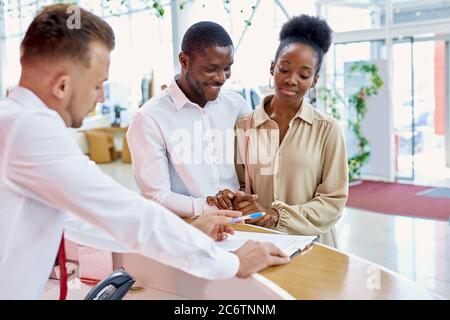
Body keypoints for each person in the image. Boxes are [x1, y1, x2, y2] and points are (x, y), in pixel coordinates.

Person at [0, 4, 289, 299]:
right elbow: (127, 215)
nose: (101, 98)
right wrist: (234, 263)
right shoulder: (29, 130)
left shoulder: (13, 123)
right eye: (98, 85)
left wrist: (192, 233)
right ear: (62, 85)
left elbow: (81, 221)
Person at [210, 15, 349, 247]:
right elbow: (243, 185)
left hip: (312, 245)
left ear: (314, 80)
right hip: (260, 243)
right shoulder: (245, 126)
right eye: (284, 69)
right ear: (273, 67)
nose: (291, 80)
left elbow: (332, 202)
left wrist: (276, 216)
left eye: (304, 75)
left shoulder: (327, 130)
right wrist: (234, 198)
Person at [126, 21, 251, 218]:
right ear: (184, 61)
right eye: (212, 68)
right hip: (188, 230)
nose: (221, 77)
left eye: (227, 68)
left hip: (243, 222)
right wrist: (213, 208)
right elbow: (156, 196)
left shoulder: (236, 105)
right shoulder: (149, 118)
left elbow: (250, 168)